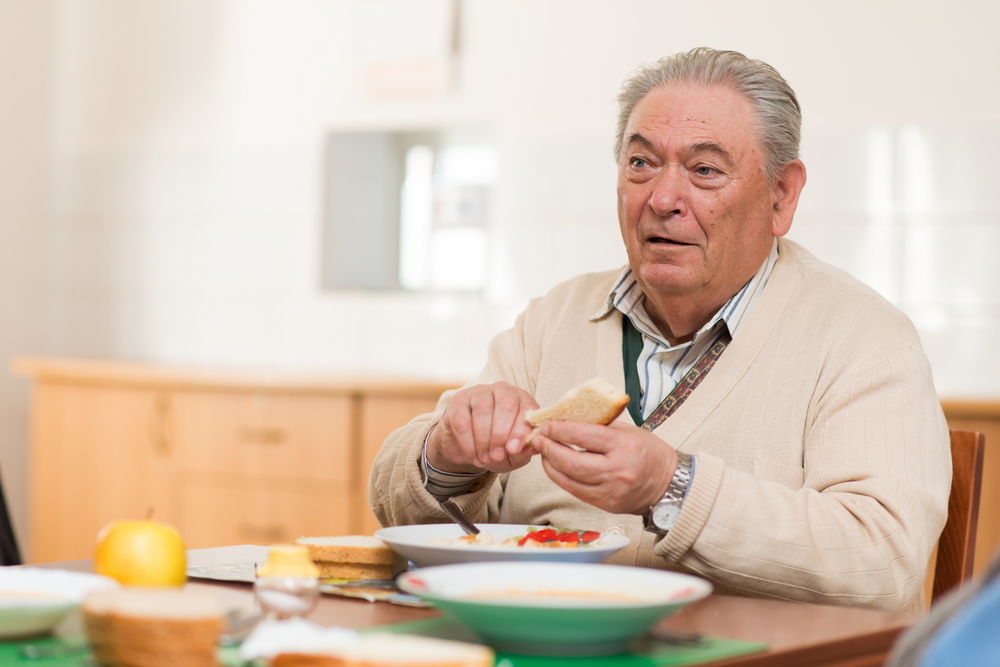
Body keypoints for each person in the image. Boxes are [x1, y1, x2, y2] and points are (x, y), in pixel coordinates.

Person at [369, 47, 951, 613]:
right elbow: (407, 513)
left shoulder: (864, 338)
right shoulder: (555, 317)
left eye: (704, 170)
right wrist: (446, 452)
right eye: (641, 163)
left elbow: (883, 563)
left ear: (781, 195)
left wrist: (673, 487)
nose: (663, 199)